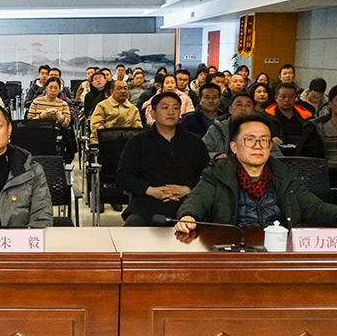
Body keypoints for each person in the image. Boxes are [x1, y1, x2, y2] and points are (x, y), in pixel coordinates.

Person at [175, 114, 337, 232]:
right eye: (250, 140)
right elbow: (197, 201)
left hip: (278, 246)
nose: (258, 146)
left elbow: (313, 206)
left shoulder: (283, 174)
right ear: (234, 147)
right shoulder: (218, 173)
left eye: (264, 140)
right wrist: (188, 216)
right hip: (232, 247)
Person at [117, 92, 209, 226]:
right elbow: (123, 175)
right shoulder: (138, 142)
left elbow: (207, 175)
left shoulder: (195, 142)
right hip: (147, 203)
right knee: (133, 226)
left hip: (188, 203)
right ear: (153, 113)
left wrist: (187, 189)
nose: (171, 112)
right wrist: (150, 190)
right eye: (165, 108)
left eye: (175, 108)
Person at [203, 92, 255, 159]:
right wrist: (216, 156)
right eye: (239, 105)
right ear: (230, 109)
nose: (243, 108)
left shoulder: (261, 130)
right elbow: (201, 151)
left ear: (253, 111)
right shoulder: (216, 129)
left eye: (248, 105)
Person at [89, 79, 141, 144]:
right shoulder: (102, 106)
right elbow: (96, 125)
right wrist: (110, 137)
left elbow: (137, 129)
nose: (123, 91)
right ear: (111, 91)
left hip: (127, 142)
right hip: (104, 142)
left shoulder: (134, 109)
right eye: (119, 89)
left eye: (125, 89)